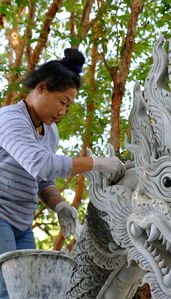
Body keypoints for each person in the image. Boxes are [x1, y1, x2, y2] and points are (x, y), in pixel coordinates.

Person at [0, 48, 125, 298]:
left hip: (22, 224)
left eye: (68, 106)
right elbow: (41, 164)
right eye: (62, 102)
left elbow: (43, 179)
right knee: (7, 290)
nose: (63, 112)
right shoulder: (10, 119)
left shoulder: (50, 132)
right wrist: (96, 163)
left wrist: (59, 205)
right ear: (42, 88)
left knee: (30, 291)